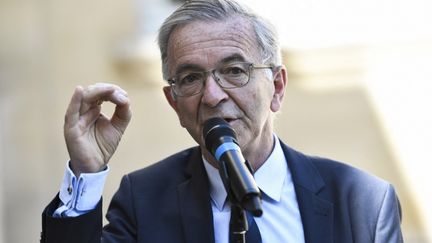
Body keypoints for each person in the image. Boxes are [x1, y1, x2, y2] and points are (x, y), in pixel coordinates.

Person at [40, 0, 403, 242]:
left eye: (234, 71)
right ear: (174, 102)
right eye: (191, 78)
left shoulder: (363, 203)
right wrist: (86, 170)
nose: (213, 95)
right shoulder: (144, 199)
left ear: (277, 87)